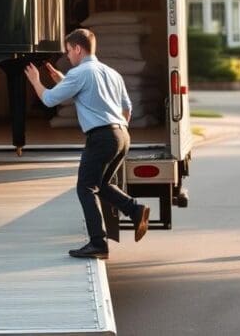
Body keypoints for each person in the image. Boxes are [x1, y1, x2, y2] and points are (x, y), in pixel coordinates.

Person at [24, 28, 150, 259]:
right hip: (122, 135)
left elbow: (50, 99)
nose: (67, 56)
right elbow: (126, 108)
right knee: (100, 184)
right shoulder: (111, 72)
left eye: (68, 51)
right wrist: (62, 81)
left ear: (78, 49)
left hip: (101, 137)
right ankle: (135, 210)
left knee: (85, 188)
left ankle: (98, 243)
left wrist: (35, 81)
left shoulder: (80, 72)